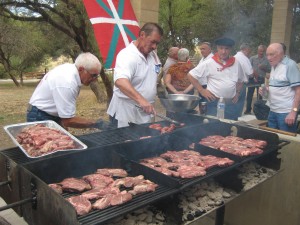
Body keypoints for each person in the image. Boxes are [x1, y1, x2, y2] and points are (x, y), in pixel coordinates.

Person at [27, 52, 108, 129]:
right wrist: (97, 124)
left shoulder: (71, 70)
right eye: (93, 75)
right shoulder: (67, 83)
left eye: (97, 76)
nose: (95, 80)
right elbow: (68, 121)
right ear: (81, 69)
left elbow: (65, 119)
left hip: (49, 114)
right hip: (40, 116)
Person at [107, 22, 164, 128]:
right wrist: (141, 100)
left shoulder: (153, 56)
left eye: (157, 44)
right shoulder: (127, 55)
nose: (154, 46)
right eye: (152, 42)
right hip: (125, 113)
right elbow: (121, 81)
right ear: (142, 35)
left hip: (144, 113)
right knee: (125, 144)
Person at [187, 37, 248, 120]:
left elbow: (241, 80)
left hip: (230, 104)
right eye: (221, 48)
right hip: (214, 103)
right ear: (217, 48)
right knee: (213, 127)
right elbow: (191, 75)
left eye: (226, 48)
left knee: (230, 128)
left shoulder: (236, 63)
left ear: (230, 49)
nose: (223, 51)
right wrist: (202, 90)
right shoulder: (209, 62)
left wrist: (237, 93)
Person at [262, 43, 300, 132]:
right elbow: (277, 86)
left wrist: (293, 112)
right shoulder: (274, 65)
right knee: (273, 140)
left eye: (272, 54)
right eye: (267, 55)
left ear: (281, 53)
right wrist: (266, 90)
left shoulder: (290, 65)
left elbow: (298, 90)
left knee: (286, 142)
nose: (268, 58)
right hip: (272, 111)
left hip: (286, 113)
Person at [244, 45, 271, 114]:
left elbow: (270, 70)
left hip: (262, 79)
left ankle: (260, 110)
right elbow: (248, 67)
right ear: (257, 51)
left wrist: (264, 68)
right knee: (249, 95)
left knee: (262, 95)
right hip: (252, 79)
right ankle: (248, 110)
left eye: (262, 51)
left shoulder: (267, 59)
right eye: (260, 51)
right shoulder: (252, 58)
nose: (261, 52)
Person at [234, 43, 252, 116]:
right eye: (249, 51)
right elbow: (250, 73)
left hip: (233, 84)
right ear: (245, 50)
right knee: (239, 103)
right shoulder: (244, 58)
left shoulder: (234, 57)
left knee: (233, 103)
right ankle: (237, 119)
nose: (249, 53)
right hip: (241, 84)